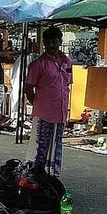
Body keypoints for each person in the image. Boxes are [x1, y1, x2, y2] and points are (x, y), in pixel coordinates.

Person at [26, 26, 73, 177]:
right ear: (44, 43)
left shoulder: (68, 63)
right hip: (44, 114)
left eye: (54, 41)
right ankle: (37, 178)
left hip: (61, 114)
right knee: (41, 148)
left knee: (57, 148)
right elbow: (28, 90)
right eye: (48, 42)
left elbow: (67, 85)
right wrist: (39, 106)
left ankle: (53, 178)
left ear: (60, 41)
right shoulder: (37, 65)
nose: (51, 45)